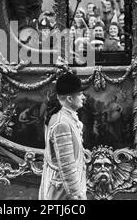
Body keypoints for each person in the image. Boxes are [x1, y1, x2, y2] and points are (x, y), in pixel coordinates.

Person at [39, 72, 88, 200]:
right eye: (80, 94)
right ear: (69, 99)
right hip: (63, 193)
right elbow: (66, 165)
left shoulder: (66, 118)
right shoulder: (62, 123)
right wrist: (76, 194)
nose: (83, 97)